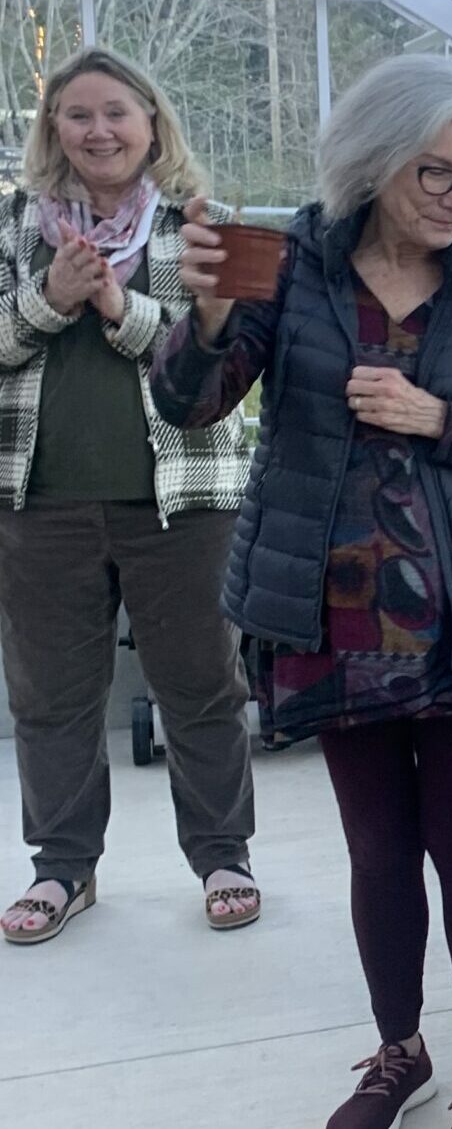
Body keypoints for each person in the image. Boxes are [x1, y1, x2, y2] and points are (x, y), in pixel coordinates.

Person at [150, 54, 452, 1129]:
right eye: (439, 173)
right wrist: (205, 316)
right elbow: (192, 404)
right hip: (333, 614)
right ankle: (399, 1051)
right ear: (375, 160)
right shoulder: (290, 267)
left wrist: (440, 420)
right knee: (379, 846)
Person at [0, 47, 257, 947]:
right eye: (77, 114)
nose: (98, 130)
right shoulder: (12, 225)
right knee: (51, 695)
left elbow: (229, 363)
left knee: (202, 684)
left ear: (152, 123)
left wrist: (119, 308)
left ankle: (223, 856)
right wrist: (47, 297)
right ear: (53, 128)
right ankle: (62, 867)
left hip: (186, 502)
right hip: (37, 503)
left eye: (116, 112)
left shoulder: (204, 227)